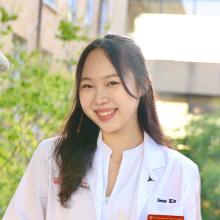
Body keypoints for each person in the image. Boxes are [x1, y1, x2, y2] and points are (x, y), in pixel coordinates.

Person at [3, 34, 202, 220]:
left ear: (142, 85)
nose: (99, 98)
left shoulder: (179, 171)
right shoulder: (52, 157)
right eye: (87, 86)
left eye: (112, 83)